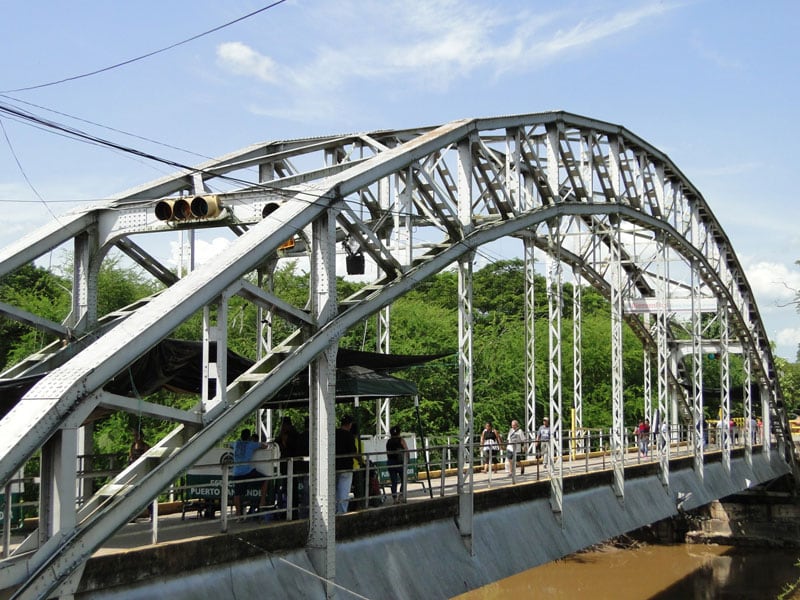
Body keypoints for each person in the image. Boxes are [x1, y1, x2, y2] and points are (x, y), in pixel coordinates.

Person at [231, 428, 268, 518]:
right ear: (249, 437)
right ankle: (262, 501)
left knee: (237, 494)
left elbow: (229, 445)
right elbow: (265, 446)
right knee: (265, 480)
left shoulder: (236, 443)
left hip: (236, 472)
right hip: (247, 471)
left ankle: (238, 514)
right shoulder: (251, 444)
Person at [335, 415, 357, 514]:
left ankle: (333, 510)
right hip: (346, 466)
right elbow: (353, 451)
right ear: (350, 425)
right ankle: (342, 512)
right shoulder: (349, 436)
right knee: (344, 491)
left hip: (334, 466)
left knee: (334, 490)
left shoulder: (334, 433)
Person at [386, 425, 408, 503]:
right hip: (400, 462)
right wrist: (407, 460)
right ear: (399, 432)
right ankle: (401, 495)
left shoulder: (388, 441)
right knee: (404, 480)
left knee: (393, 481)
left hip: (391, 462)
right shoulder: (401, 440)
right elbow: (406, 450)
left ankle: (394, 498)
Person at [350, 421, 367, 510]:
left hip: (347, 466)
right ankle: (359, 505)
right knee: (358, 488)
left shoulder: (347, 440)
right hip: (356, 467)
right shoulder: (359, 443)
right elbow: (361, 456)